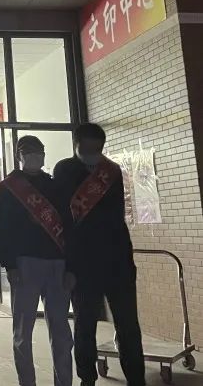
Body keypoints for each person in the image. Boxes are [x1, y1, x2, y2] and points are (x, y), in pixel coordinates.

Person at [53, 123, 145, 386]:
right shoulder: (64, 169)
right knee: (85, 324)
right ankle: (87, 378)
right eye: (87, 148)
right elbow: (64, 220)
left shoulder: (111, 171)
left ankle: (136, 378)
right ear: (77, 144)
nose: (92, 154)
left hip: (118, 262)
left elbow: (115, 216)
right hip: (83, 264)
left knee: (128, 325)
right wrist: (69, 266)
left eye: (97, 149)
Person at [0, 135, 75, 386]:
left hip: (57, 262)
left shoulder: (55, 186)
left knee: (61, 330)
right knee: (23, 331)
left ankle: (64, 381)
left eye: (38, 151)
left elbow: (68, 225)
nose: (34, 156)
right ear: (19, 156)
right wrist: (9, 265)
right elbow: (4, 228)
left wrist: (71, 266)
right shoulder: (9, 187)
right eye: (28, 152)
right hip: (24, 263)